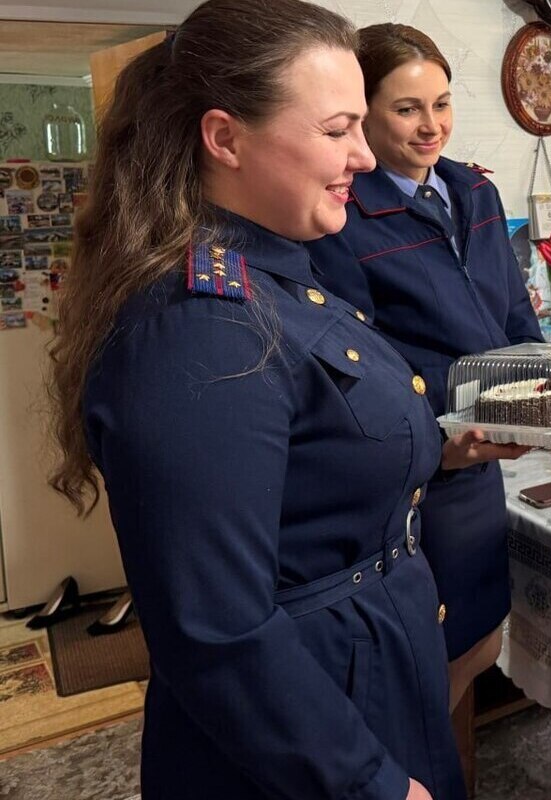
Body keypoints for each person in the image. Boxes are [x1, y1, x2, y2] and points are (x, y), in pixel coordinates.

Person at [46, 2, 489, 797]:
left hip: (370, 673)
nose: (364, 154)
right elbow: (217, 629)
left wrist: (444, 450)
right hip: (307, 729)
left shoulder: (281, 273)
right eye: (337, 129)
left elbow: (308, 464)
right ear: (225, 138)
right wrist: (370, 784)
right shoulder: (199, 329)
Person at [306, 23, 542, 709]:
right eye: (407, 109)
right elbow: (360, 366)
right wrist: (458, 417)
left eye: (441, 104)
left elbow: (516, 316)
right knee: (418, 673)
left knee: (479, 645)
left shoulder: (475, 192)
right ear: (363, 114)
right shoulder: (344, 216)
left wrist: (544, 385)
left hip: (482, 463)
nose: (431, 125)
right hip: (417, 468)